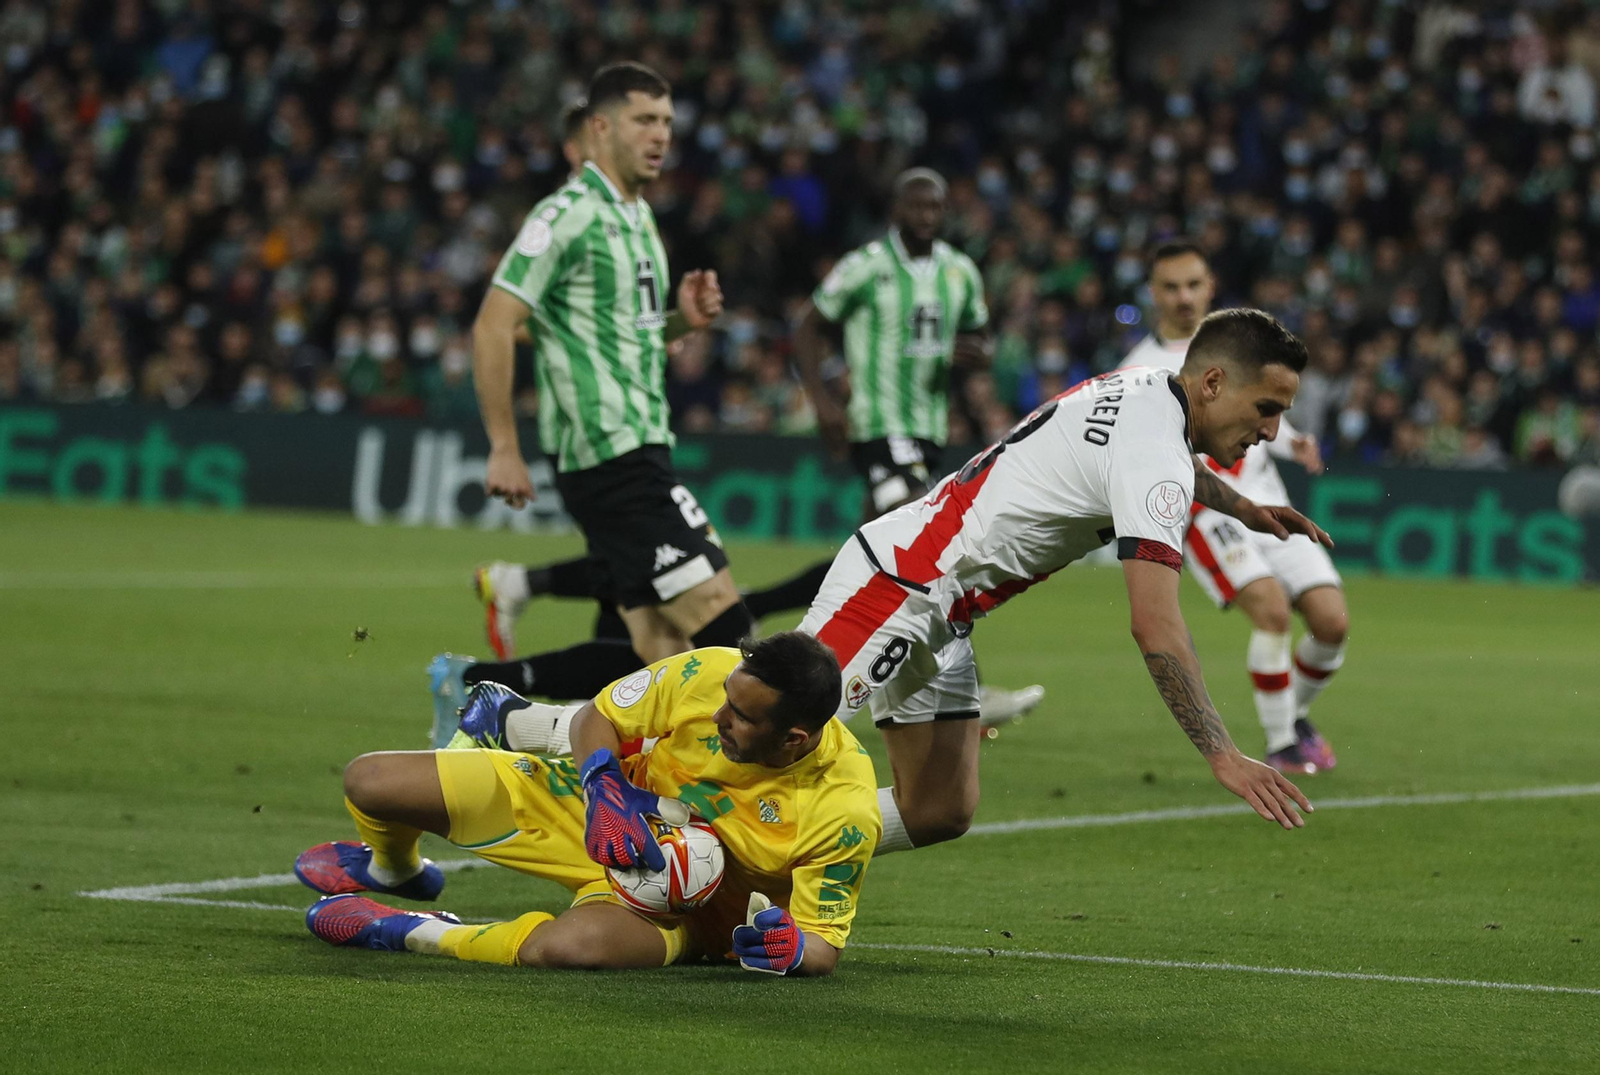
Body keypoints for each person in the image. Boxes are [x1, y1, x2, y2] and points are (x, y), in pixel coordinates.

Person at [463, 168, 1045, 731]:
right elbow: (810, 323)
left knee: (658, 642)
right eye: (916, 204)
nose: (926, 216)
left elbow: (978, 340)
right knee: (918, 556)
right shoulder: (867, 268)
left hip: (916, 428)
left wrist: (976, 354)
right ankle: (942, 694)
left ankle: (491, 684)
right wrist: (822, 400)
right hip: (866, 426)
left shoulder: (959, 272)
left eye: (936, 206)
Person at [796, 308, 1324, 855]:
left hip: (944, 610)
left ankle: (763, 858)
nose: (1271, 431)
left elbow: (1167, 461)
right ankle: (714, 864)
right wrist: (1224, 755)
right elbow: (1156, 628)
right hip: (902, 582)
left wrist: (1242, 507)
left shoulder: (1148, 387)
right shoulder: (1157, 456)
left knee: (939, 808)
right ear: (1213, 382)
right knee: (766, 736)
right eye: (1267, 409)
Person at [299, 633, 878, 977]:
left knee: (569, 949)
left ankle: (409, 930)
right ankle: (393, 869)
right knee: (370, 780)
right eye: (727, 700)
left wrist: (793, 949)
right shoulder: (708, 671)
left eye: (743, 718)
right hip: (601, 814)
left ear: (794, 738)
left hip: (682, 911)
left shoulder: (843, 809)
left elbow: (823, 944)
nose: (719, 716)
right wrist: (603, 787)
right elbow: (597, 717)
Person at [471, 61, 755, 674]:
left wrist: (679, 319)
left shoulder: (639, 216)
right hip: (610, 457)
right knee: (729, 634)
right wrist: (503, 445)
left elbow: (637, 336)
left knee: (657, 658)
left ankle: (481, 696)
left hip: (644, 445)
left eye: (668, 122)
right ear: (600, 127)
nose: (661, 136)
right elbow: (494, 323)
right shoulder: (565, 215)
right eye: (644, 120)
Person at [1119, 242, 1350, 774]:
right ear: (1154, 293)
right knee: (1270, 611)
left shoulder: (1241, 338)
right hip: (1210, 511)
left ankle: (1292, 717)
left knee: (1331, 622)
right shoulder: (1139, 370)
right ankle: (1282, 747)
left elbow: (1263, 398)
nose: (1183, 297)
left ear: (1209, 286)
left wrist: (1291, 441)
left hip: (1271, 499)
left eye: (1193, 284)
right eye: (1171, 287)